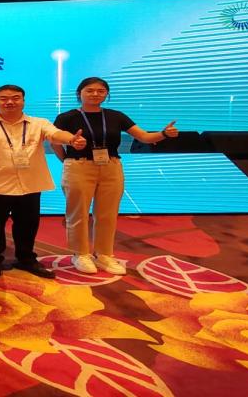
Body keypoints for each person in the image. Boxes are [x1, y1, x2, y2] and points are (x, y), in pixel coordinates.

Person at [53, 77, 179, 275]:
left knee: (108, 213)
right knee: (78, 212)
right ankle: (80, 254)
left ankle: (103, 254)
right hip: (79, 167)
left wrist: (164, 133)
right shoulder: (66, 117)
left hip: (111, 166)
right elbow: (55, 143)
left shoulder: (116, 116)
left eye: (101, 91)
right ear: (79, 93)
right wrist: (68, 161)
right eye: (90, 90)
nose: (95, 94)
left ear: (107, 94)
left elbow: (144, 136)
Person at [0, 84, 87, 280]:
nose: (10, 102)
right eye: (3, 98)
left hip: (30, 184)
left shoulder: (38, 123)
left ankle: (26, 259)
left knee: (28, 224)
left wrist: (71, 140)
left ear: (23, 101)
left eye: (15, 98)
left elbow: (55, 134)